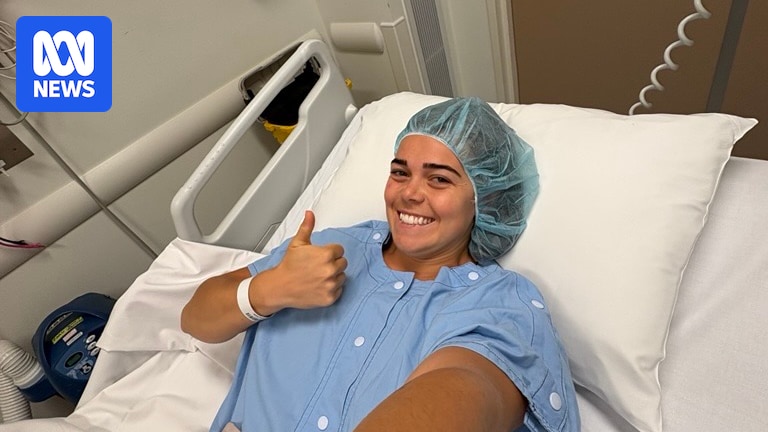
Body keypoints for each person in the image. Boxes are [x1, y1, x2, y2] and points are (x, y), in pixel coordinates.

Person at [181, 97, 580, 431]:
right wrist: (268, 289)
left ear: (486, 197)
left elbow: (470, 386)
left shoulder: (499, 302)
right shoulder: (328, 247)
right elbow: (195, 320)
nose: (409, 193)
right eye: (400, 172)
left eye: (439, 179)